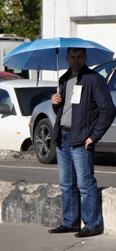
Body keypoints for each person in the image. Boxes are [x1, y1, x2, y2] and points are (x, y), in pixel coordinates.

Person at [48, 46, 116, 238]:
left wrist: (93, 136)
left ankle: (92, 224)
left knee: (85, 184)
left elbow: (108, 110)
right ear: (67, 58)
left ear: (85, 57)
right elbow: (64, 112)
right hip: (63, 137)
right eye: (72, 57)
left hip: (81, 139)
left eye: (79, 57)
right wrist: (55, 104)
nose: (76, 60)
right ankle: (70, 222)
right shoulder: (64, 79)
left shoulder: (94, 80)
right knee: (66, 184)